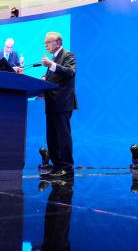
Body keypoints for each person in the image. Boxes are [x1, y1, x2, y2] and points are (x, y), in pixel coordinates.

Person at [41, 32, 77, 178]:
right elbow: (55, 78)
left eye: (47, 42)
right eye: (45, 43)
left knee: (63, 136)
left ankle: (67, 168)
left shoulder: (68, 55)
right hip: (51, 103)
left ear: (58, 43)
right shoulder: (53, 58)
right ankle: (56, 166)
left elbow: (70, 72)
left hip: (62, 103)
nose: (45, 45)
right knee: (52, 137)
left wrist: (51, 65)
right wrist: (45, 78)